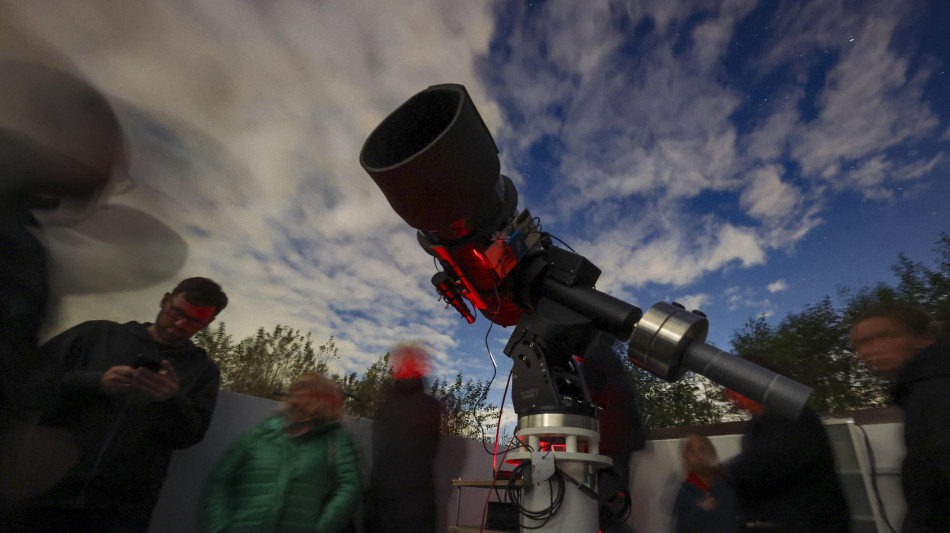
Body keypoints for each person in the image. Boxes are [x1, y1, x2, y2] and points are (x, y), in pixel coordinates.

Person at [7, 277, 227, 532]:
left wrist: (172, 399)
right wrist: (95, 381)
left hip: (121, 512)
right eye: (177, 312)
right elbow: (26, 385)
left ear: (208, 323)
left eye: (194, 321)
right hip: (43, 490)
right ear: (165, 300)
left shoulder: (202, 371)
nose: (180, 324)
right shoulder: (95, 334)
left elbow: (189, 436)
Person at [201, 372, 361, 533]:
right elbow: (220, 479)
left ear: (320, 398)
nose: (297, 389)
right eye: (298, 384)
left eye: (306, 386)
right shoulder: (261, 432)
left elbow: (349, 486)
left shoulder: (335, 438)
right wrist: (219, 528)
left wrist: (322, 528)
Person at [850, 303, 950, 532]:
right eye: (860, 344)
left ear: (927, 335)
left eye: (883, 336)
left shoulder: (938, 390)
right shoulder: (916, 390)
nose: (868, 351)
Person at [723, 357, 850, 532]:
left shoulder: (786, 415)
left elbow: (764, 467)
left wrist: (724, 471)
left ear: (756, 380)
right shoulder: (772, 417)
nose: (730, 397)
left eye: (733, 388)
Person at [364, 343, 443, 533]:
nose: (402, 365)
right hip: (381, 501)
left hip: (414, 507)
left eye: (409, 360)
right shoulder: (387, 403)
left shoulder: (429, 406)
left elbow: (426, 450)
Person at [580, 333, 645, 532]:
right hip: (620, 441)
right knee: (608, 509)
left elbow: (584, 394)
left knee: (606, 511)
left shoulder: (595, 355)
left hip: (612, 443)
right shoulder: (605, 355)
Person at [671, 434, 738, 533]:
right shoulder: (685, 492)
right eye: (692, 452)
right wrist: (699, 511)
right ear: (686, 459)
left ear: (712, 452)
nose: (699, 457)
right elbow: (681, 527)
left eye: (702, 449)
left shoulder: (727, 480)